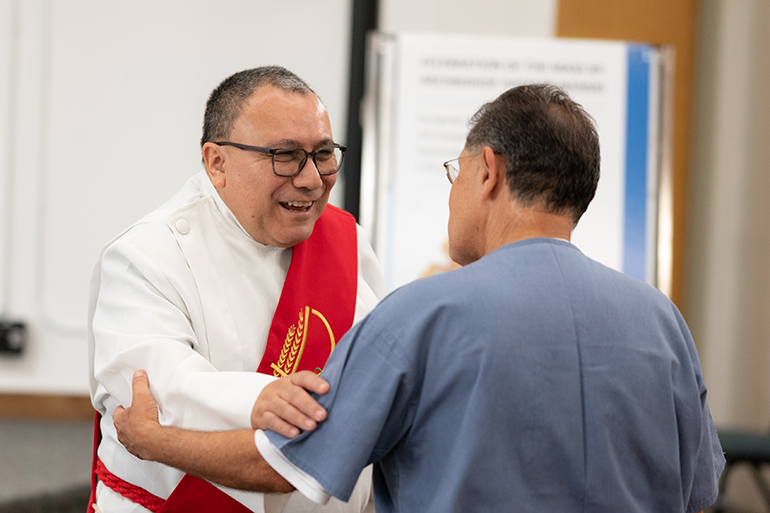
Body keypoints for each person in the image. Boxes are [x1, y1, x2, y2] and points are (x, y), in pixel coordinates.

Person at [112, 84, 725, 512]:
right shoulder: (662, 321)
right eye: (284, 156)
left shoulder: (423, 315)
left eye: (454, 174)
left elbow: (286, 462)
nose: (308, 177)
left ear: (488, 173)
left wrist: (154, 441)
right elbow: (698, 493)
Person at [87, 66, 386, 513]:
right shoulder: (147, 255)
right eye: (285, 155)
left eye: (323, 153)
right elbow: (156, 395)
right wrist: (263, 400)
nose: (311, 179)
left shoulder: (346, 241)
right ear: (216, 163)